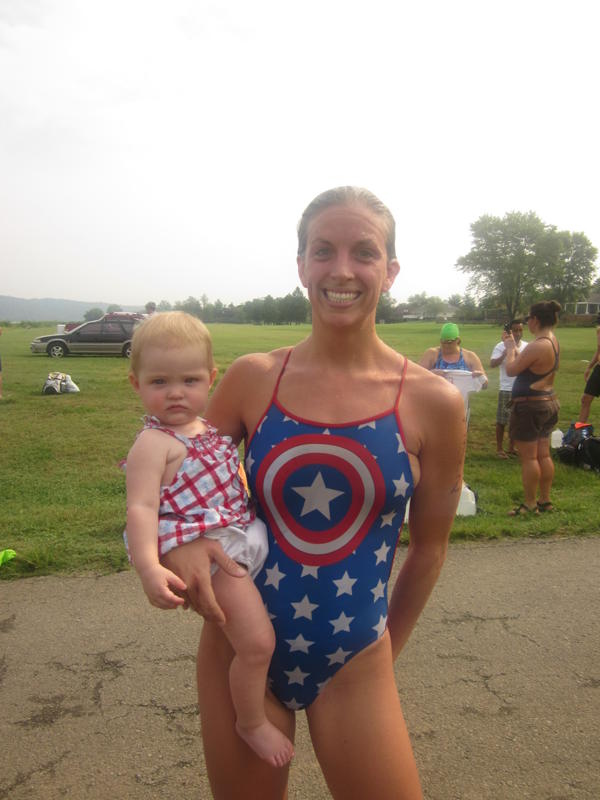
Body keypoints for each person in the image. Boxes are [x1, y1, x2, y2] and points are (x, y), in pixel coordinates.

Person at [161, 187, 466, 799]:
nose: (342, 270)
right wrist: (177, 549)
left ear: (390, 271)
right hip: (237, 650)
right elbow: (176, 489)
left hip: (355, 659)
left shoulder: (434, 402)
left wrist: (382, 650)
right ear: (301, 265)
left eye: (364, 252)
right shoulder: (252, 379)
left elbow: (430, 548)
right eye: (323, 251)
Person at [124, 311, 294, 768]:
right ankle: (251, 721)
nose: (176, 392)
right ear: (136, 384)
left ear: (211, 379)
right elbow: (141, 508)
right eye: (159, 381)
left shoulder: (208, 431)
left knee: (257, 637)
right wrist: (149, 567)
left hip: (240, 536)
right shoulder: (153, 444)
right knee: (256, 644)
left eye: (190, 380)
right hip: (218, 556)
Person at [503, 300, 561, 515]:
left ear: (535, 320)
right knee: (543, 455)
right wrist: (515, 348)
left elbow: (511, 370)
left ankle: (529, 504)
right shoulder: (552, 341)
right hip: (547, 403)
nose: (527, 322)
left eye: (528, 318)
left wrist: (510, 349)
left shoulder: (538, 345)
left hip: (530, 406)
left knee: (529, 458)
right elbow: (527, 364)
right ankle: (545, 500)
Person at [490, 319, 527, 458]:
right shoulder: (500, 346)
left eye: (520, 330)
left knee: (517, 421)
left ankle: (512, 447)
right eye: (515, 330)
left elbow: (524, 362)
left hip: (522, 388)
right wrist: (506, 351)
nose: (518, 333)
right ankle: (499, 449)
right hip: (506, 388)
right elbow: (492, 363)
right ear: (509, 331)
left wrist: (512, 347)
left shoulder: (527, 346)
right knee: (502, 420)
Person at [419, 322, 488, 386]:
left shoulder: (469, 356)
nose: (446, 345)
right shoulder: (432, 354)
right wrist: (431, 375)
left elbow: (485, 385)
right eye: (443, 342)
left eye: (450, 342)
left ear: (458, 340)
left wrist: (480, 377)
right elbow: (417, 377)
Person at [578, 313, 600, 423]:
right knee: (585, 399)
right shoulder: (599, 330)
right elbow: (599, 350)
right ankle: (580, 429)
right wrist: (589, 367)